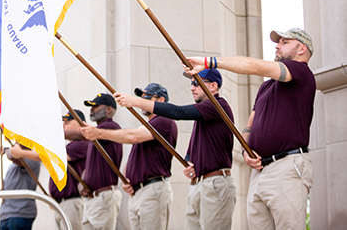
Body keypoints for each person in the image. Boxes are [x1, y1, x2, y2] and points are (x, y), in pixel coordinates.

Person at [184, 28, 315, 230]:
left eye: (285, 41)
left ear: (302, 49)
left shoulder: (301, 71)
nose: (277, 45)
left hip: (287, 166)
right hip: (260, 171)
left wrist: (209, 62)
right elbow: (250, 123)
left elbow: (253, 65)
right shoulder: (266, 87)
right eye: (277, 41)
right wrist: (246, 150)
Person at [114, 71, 236, 230]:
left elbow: (179, 112)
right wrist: (189, 163)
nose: (192, 88)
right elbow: (189, 152)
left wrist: (136, 102)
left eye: (196, 83)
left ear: (213, 86)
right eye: (191, 83)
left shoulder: (218, 105)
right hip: (198, 185)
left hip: (215, 184)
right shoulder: (203, 117)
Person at [81, 83, 177, 230]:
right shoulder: (149, 125)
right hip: (138, 193)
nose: (142, 101)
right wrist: (127, 178)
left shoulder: (164, 120)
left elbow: (133, 136)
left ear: (161, 101)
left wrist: (98, 133)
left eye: (147, 97)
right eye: (142, 97)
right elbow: (134, 157)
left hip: (153, 189)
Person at [10, 110, 90, 230]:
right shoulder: (68, 147)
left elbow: (49, 157)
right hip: (62, 203)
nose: (64, 125)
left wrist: (21, 153)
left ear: (80, 125)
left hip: (72, 202)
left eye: (68, 122)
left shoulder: (82, 144)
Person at [80, 93, 123, 230]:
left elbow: (78, 134)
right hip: (92, 198)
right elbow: (90, 166)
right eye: (91, 107)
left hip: (104, 197)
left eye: (96, 106)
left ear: (108, 110)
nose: (91, 110)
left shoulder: (111, 127)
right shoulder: (95, 133)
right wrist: (83, 183)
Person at [0, 145, 41, 230]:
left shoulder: (32, 159)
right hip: (5, 215)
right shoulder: (12, 167)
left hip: (20, 214)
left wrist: (7, 150)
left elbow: (13, 156)